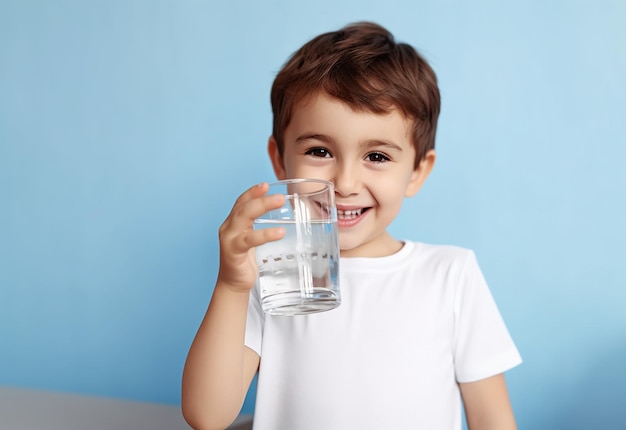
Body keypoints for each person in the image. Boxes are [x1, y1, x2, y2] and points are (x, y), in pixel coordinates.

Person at [181, 21, 522, 430]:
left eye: (377, 156)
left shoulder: (450, 275)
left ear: (417, 171)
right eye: (320, 150)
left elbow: (492, 419)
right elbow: (206, 415)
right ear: (280, 160)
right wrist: (231, 285)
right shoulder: (270, 270)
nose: (343, 184)